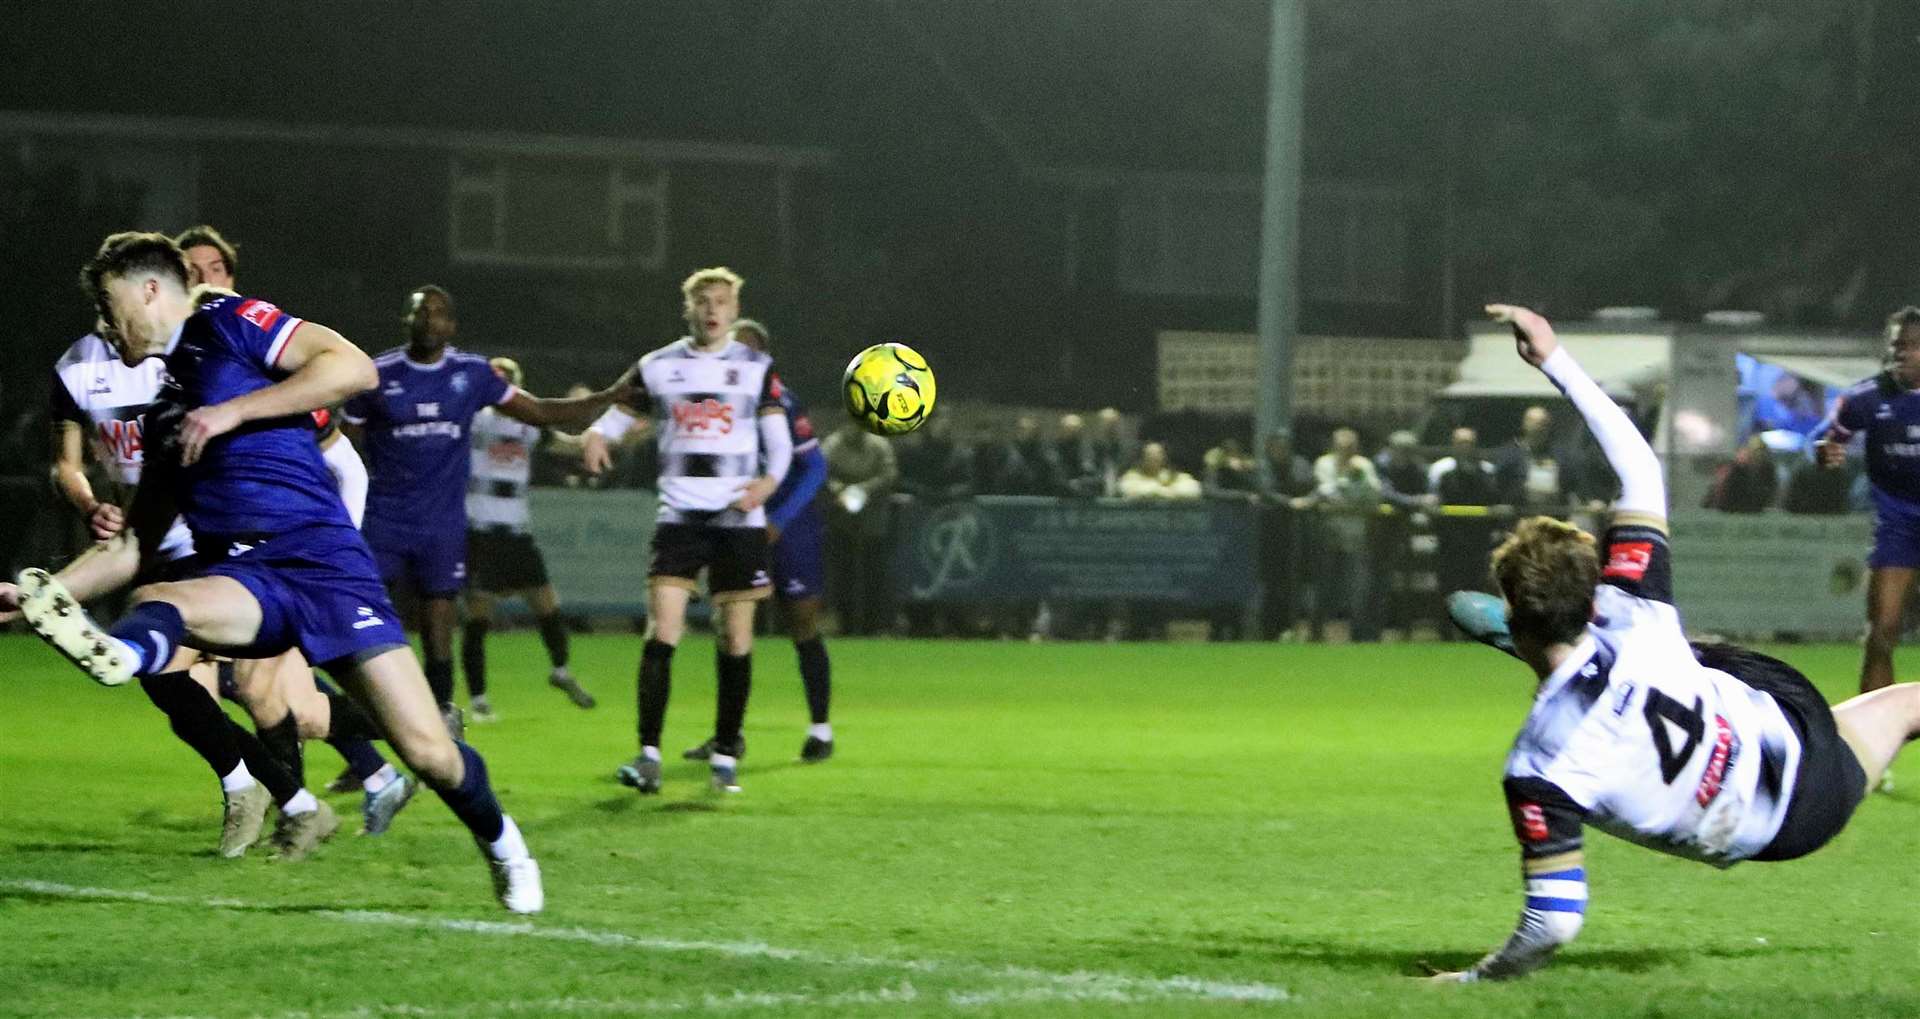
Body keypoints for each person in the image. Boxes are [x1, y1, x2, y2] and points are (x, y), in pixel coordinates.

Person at [17, 232, 553, 910]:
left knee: (429, 753)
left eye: (108, 301)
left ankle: (505, 844)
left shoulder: (231, 321)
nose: (102, 321)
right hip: (249, 576)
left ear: (150, 288)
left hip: (325, 562)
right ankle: (118, 652)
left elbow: (355, 369)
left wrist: (235, 409)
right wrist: (41, 596)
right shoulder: (165, 411)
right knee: (158, 592)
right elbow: (132, 544)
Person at [1428, 305, 1920, 983]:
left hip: (1786, 812)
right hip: (1783, 735)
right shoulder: (1631, 608)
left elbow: (1555, 921)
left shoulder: (1539, 764)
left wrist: (1474, 979)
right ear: (1594, 593)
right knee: (1903, 702)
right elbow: (1638, 466)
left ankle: (1561, 660)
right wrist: (1553, 360)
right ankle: (1585, 661)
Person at [343, 285, 625, 736]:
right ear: (406, 321)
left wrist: (605, 398)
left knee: (440, 627)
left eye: (438, 314)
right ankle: (364, 738)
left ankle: (439, 723)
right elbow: (343, 447)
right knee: (363, 626)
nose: (428, 320)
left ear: (451, 325)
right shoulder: (377, 375)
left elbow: (538, 412)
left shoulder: (472, 375)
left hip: (444, 526)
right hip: (383, 523)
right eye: (420, 312)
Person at [582, 267, 792, 794]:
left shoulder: (756, 367)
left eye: (721, 301)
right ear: (689, 309)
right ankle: (648, 753)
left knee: (736, 635)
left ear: (734, 308)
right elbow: (613, 417)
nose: (712, 310)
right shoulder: (658, 366)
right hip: (679, 514)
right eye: (703, 302)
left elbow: (781, 446)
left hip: (737, 518)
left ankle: (725, 751)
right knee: (664, 630)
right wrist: (594, 435)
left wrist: (765, 486)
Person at [682, 319, 835, 763]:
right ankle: (728, 735)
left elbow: (816, 467)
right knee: (728, 628)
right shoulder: (713, 400)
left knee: (802, 621)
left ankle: (820, 729)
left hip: (791, 527)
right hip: (736, 523)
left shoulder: (782, 400)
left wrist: (780, 518)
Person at [460, 356, 598, 723]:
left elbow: (568, 444)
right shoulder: (474, 421)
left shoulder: (529, 427)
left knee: (548, 605)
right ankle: (478, 700)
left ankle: (562, 671)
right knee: (478, 618)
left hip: (518, 534)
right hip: (482, 532)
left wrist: (601, 436)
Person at [1817, 307, 1920, 709]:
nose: (1902, 354)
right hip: (1897, 523)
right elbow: (1827, 444)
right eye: (1897, 346)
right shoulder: (1864, 398)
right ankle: (1874, 743)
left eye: (1913, 347)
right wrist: (1827, 454)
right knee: (1882, 633)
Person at [821, 415, 898, 636]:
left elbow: (889, 473)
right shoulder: (832, 445)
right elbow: (822, 474)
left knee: (874, 573)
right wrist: (841, 490)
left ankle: (873, 625)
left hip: (873, 518)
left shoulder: (878, 445)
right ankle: (844, 624)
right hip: (841, 518)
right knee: (842, 573)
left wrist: (863, 490)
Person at [1304, 427, 1383, 642]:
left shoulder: (1364, 465)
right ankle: (1316, 634)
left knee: (1357, 588)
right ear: (1334, 446)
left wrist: (1356, 481)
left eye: (1351, 447)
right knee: (1323, 586)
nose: (1347, 451)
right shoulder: (1324, 463)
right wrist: (1350, 485)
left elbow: (1375, 495)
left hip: (1356, 536)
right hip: (1328, 534)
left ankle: (1358, 634)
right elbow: (1329, 493)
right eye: (1342, 447)